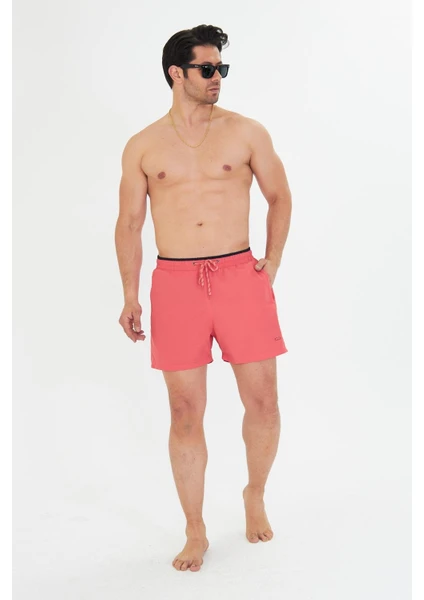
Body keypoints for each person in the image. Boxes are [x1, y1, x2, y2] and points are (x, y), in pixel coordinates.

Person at [115, 24, 292, 573]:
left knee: (263, 401)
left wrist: (271, 262)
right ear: (177, 73)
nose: (218, 78)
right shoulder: (144, 145)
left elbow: (280, 196)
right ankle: (195, 528)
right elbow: (129, 223)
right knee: (184, 411)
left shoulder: (246, 132)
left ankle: (254, 492)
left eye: (222, 69)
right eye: (207, 69)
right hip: (175, 284)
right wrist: (129, 294)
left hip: (240, 276)